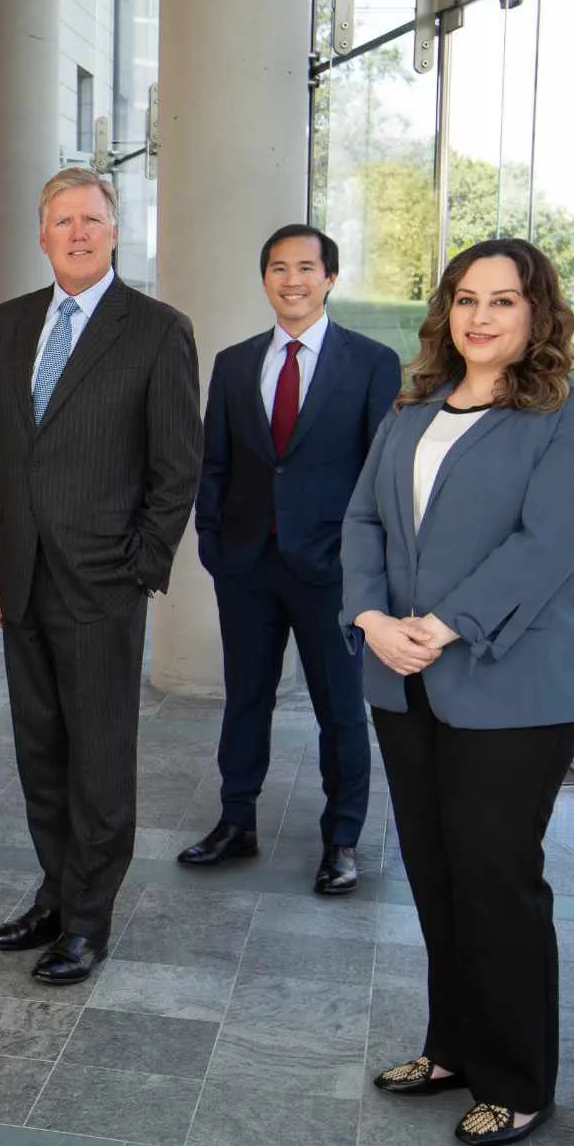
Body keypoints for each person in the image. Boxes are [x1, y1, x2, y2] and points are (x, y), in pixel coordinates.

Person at [340, 237, 574, 1146]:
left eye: (503, 300)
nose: (482, 316)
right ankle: (454, 1044)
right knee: (435, 870)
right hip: (403, 673)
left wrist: (446, 623)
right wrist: (372, 617)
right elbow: (364, 519)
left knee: (496, 877)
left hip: (516, 683)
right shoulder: (412, 408)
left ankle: (519, 1078)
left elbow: (547, 544)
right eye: (466, 298)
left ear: (538, 312)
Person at [0, 168, 201, 985]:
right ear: (42, 234)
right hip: (22, 575)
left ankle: (89, 919)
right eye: (61, 219)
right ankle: (54, 893)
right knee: (40, 747)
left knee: (100, 757)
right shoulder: (5, 323)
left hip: (103, 581)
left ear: (114, 231)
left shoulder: (155, 329)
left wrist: (139, 567)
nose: (76, 231)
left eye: (91, 219)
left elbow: (178, 468)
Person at [184, 224, 400, 895]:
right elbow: (214, 461)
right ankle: (236, 819)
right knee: (244, 696)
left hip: (334, 571)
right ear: (266, 279)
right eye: (279, 267)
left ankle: (342, 838)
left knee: (340, 707)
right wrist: (214, 545)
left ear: (330, 278)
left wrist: (367, 568)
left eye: (307, 267)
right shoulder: (235, 361)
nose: (293, 280)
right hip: (247, 563)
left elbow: (382, 474)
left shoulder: (370, 362)